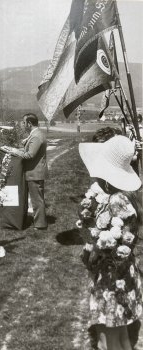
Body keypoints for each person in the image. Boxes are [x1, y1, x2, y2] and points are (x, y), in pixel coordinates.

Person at [78, 135, 142, 350]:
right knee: (120, 331)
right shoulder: (127, 196)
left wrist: (90, 251)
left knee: (107, 339)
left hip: (110, 276)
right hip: (124, 271)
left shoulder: (116, 201)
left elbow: (110, 246)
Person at [5, 113, 48, 230]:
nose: (23, 125)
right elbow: (28, 150)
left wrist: (14, 151)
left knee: (37, 200)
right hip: (34, 172)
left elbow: (30, 155)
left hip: (35, 172)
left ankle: (40, 224)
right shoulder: (35, 134)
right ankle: (39, 222)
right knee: (36, 199)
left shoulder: (36, 136)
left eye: (24, 123)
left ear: (29, 123)